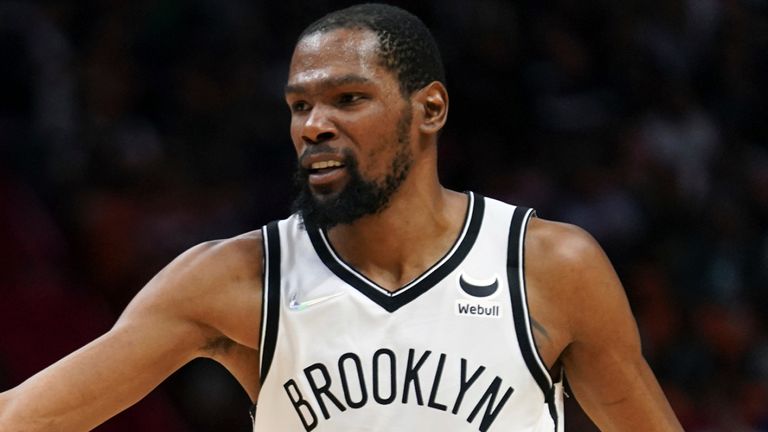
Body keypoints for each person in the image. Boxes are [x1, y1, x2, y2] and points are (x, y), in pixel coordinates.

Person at [0, 3, 683, 431]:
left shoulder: (550, 268)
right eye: (300, 105)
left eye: (348, 98)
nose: (315, 125)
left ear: (430, 110)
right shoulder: (233, 278)